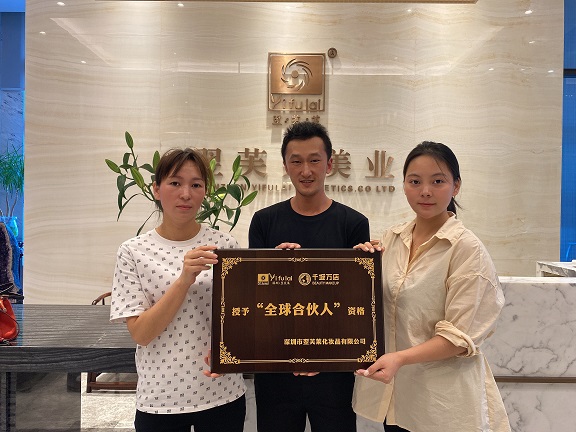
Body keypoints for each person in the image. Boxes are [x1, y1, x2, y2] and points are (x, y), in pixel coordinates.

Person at [352, 141, 510, 432]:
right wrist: (358, 268)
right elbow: (374, 308)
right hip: (396, 398)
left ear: (456, 186)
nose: (425, 191)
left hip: (442, 404)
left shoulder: (467, 249)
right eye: (415, 181)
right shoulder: (392, 239)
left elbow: (458, 337)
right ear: (404, 185)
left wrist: (399, 358)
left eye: (438, 181)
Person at [109, 148, 246, 432]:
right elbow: (141, 334)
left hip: (222, 393)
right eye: (175, 183)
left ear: (205, 192)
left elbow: (243, 319)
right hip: (161, 398)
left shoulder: (225, 246)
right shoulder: (133, 252)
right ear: (156, 189)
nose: (186, 194)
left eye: (196, 185)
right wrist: (184, 280)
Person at [248, 121, 370, 432]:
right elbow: (257, 301)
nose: (306, 170)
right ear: (285, 166)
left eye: (314, 160)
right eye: (296, 161)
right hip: (276, 371)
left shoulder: (354, 223)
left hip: (333, 374)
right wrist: (273, 269)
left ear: (329, 164)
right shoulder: (263, 222)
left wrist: (323, 354)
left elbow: (354, 304)